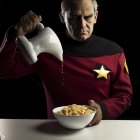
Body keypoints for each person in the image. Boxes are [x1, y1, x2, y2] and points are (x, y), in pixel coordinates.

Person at [0, 0, 132, 126]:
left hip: (99, 128)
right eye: (73, 18)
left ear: (96, 16)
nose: (82, 25)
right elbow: (4, 71)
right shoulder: (44, 47)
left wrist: (103, 109)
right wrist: (13, 34)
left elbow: (124, 95)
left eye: (88, 17)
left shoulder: (114, 52)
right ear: (62, 17)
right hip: (55, 129)